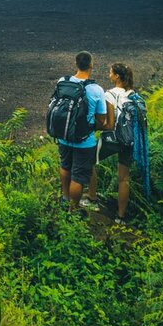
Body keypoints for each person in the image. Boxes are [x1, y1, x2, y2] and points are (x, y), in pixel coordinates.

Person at [57, 51, 109, 212]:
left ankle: (65, 198)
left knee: (65, 166)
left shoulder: (62, 81)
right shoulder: (96, 89)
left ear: (76, 64)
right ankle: (73, 209)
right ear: (91, 65)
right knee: (78, 176)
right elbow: (101, 118)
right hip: (84, 141)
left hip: (64, 135)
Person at [87, 62, 135, 223]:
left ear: (116, 77)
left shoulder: (110, 94)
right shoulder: (133, 95)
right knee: (124, 178)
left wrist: (93, 126)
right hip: (130, 140)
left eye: (110, 73)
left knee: (88, 161)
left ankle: (92, 199)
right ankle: (120, 217)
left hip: (113, 138)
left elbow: (109, 124)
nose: (109, 75)